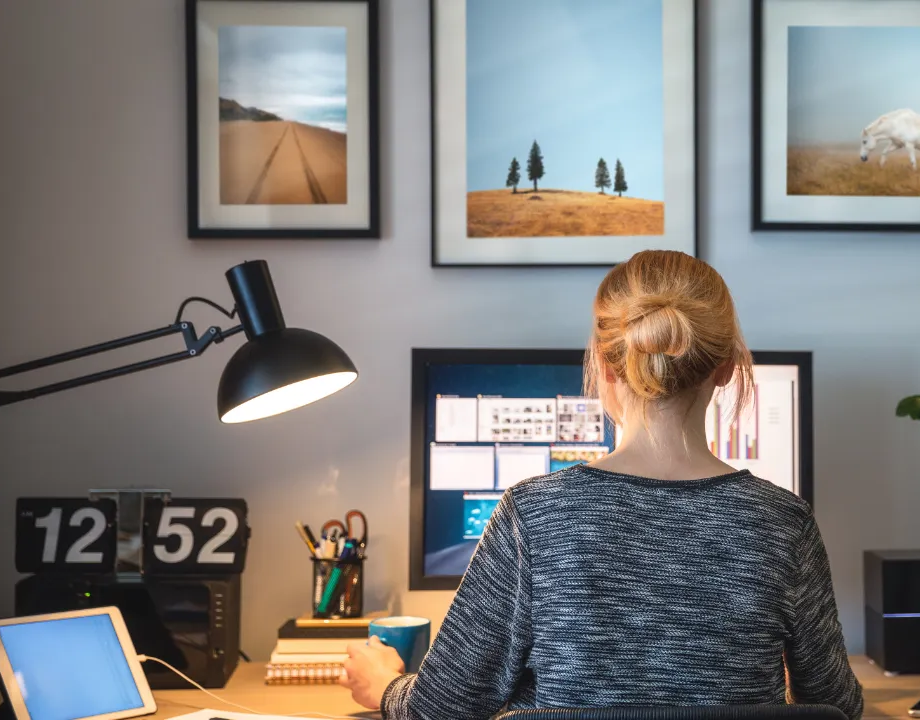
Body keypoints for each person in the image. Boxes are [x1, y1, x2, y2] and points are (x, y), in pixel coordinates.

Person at [342, 250, 863, 719]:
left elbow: (441, 712)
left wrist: (384, 686)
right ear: (726, 368)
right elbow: (837, 707)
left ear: (606, 366)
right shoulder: (784, 524)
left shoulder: (533, 517)